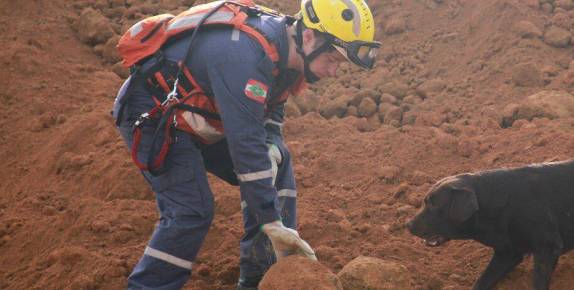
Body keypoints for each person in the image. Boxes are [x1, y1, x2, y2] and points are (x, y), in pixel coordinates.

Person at [110, 0, 380, 289]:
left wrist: (273, 141)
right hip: (153, 113)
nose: (333, 71)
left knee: (277, 160)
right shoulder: (245, 56)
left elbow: (271, 108)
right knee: (191, 211)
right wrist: (270, 220)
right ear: (311, 36)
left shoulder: (290, 50)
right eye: (333, 59)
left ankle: (259, 277)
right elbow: (245, 148)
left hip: (200, 114)